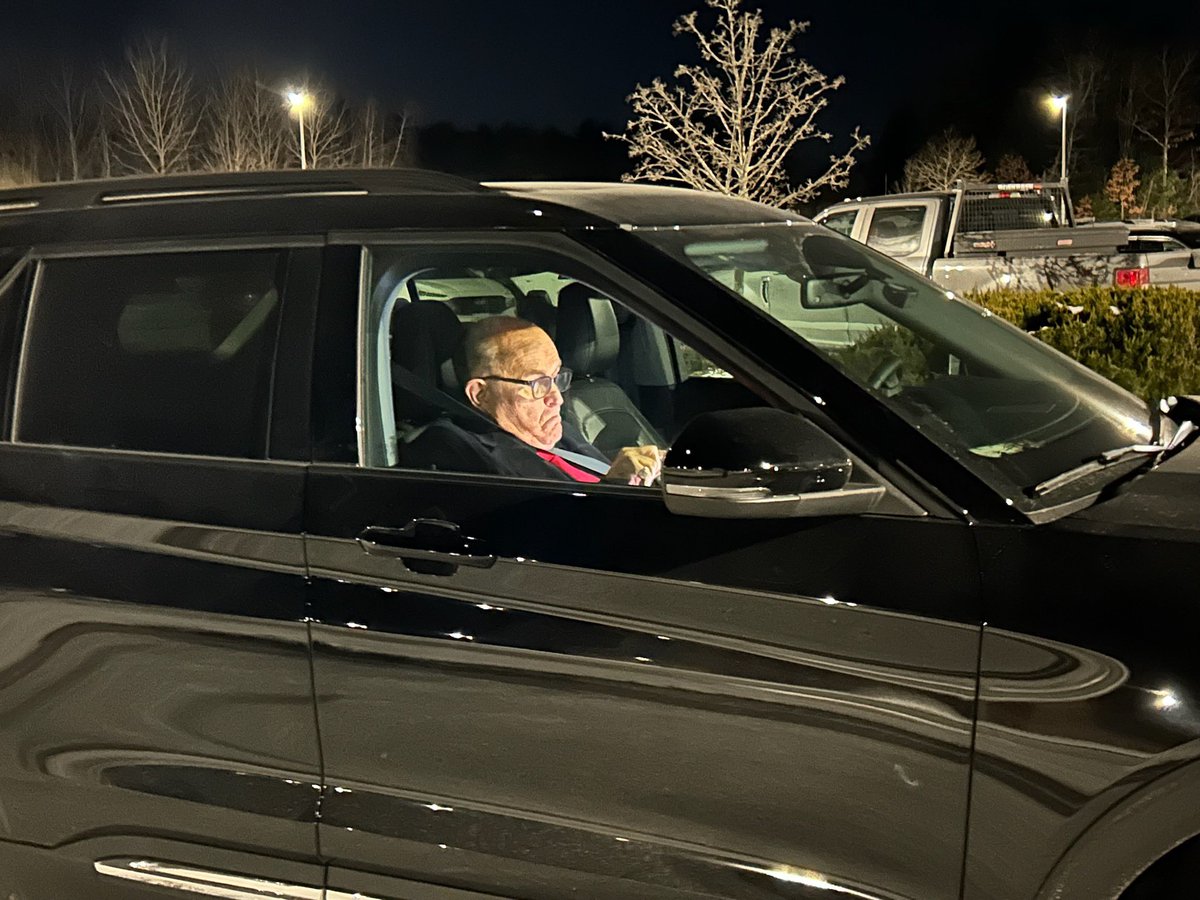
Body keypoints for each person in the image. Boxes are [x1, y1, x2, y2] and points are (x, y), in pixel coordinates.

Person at [459, 316, 663, 485]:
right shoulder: (460, 453)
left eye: (556, 377)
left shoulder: (559, 432)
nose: (557, 398)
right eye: (538, 383)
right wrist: (616, 487)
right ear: (480, 394)